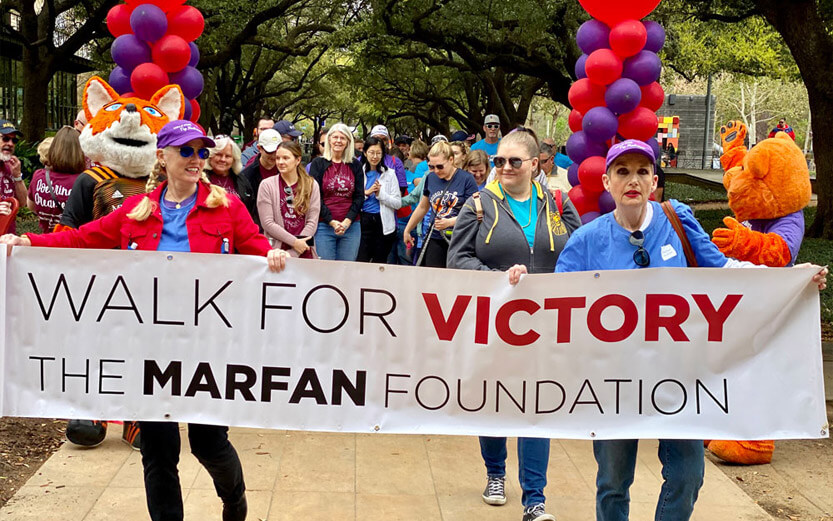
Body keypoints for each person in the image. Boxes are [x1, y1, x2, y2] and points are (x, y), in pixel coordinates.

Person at [0, 119, 289, 521]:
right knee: (158, 451)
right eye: (186, 151)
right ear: (162, 156)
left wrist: (272, 256)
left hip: (208, 347)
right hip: (150, 349)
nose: (196, 159)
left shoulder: (226, 207)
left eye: (201, 152)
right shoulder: (137, 213)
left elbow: (257, 247)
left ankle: (234, 501)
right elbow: (82, 238)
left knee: (209, 444)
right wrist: (29, 240)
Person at [554, 139, 828, 521]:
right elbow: (553, 304)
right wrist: (517, 282)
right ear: (606, 181)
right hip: (613, 383)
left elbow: (723, 271)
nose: (632, 180)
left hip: (678, 378)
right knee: (613, 482)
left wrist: (788, 280)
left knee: (688, 475)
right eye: (622, 172)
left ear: (653, 182)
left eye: (642, 172)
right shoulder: (585, 241)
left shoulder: (675, 218)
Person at [448, 129, 581, 521]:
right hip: (495, 323)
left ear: (535, 164)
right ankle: (494, 472)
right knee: (494, 401)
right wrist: (500, 275)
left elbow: (579, 250)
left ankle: (535, 499)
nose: (504, 167)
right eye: (499, 161)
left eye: (513, 161)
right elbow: (457, 259)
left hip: (547, 325)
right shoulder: (478, 204)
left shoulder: (558, 202)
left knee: (536, 407)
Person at [403, 141, 478, 267]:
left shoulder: (466, 179)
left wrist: (450, 222)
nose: (436, 171)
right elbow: (423, 207)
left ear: (451, 160)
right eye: (432, 167)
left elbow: (474, 212)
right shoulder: (430, 178)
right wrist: (408, 230)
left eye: (440, 166)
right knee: (433, 278)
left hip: (460, 237)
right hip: (436, 236)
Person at [308, 123, 364, 261]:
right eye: (335, 137)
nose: (338, 141)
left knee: (346, 270)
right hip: (324, 226)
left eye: (343, 138)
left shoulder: (355, 164)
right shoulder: (318, 164)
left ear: (348, 142)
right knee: (325, 271)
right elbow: (315, 197)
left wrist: (347, 221)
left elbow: (359, 196)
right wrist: (332, 221)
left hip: (351, 226)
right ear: (329, 140)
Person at [257, 140, 319, 258]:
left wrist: (296, 250)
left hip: (304, 250)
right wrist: (294, 243)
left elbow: (312, 221)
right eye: (278, 158)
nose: (280, 162)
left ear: (298, 160)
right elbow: (268, 223)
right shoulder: (267, 185)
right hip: (277, 252)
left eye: (286, 158)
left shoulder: (311, 184)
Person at [27, 128, 84, 233]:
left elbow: (31, 206)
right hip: (73, 243)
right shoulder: (84, 180)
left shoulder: (39, 176)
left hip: (46, 241)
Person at [357, 136, 401, 262]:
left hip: (383, 223)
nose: (374, 156)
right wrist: (367, 193)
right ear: (365, 153)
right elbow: (353, 200)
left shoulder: (390, 174)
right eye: (371, 152)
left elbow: (397, 203)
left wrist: (380, 194)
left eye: (378, 153)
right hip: (363, 221)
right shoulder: (358, 172)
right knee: (361, 260)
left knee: (379, 262)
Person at [205, 135, 257, 220]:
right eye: (219, 154)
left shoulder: (242, 181)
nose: (223, 159)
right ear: (210, 156)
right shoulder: (202, 180)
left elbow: (251, 211)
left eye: (228, 156)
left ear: (234, 159)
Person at [240, 128, 281, 228]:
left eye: (277, 150)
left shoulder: (288, 170)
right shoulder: (247, 175)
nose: (274, 155)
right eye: (270, 151)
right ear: (259, 148)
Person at [0, 120, 27, 233]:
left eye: (14, 140)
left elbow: (22, 202)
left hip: (7, 237)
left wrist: (17, 176)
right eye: (5, 138)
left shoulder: (10, 166)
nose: (10, 144)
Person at [370, 124, 408, 191]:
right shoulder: (359, 161)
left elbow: (401, 188)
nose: (380, 142)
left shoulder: (396, 162)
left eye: (384, 139)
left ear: (387, 141)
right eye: (376, 139)